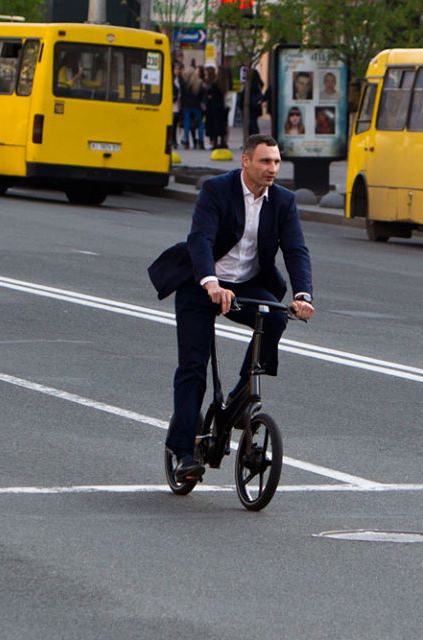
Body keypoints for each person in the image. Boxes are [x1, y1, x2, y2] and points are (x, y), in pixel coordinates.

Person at [147, 134, 315, 481]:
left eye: (277, 162)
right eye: (266, 161)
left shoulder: (282, 201)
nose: (273, 169)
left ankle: (241, 397)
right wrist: (210, 283)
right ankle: (183, 453)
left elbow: (296, 249)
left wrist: (303, 295)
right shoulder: (216, 190)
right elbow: (202, 238)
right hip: (201, 283)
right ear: (246, 161)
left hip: (247, 283)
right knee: (194, 368)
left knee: (276, 318)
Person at [180, 66, 205, 150]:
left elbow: (182, 96)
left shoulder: (184, 84)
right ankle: (201, 141)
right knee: (200, 124)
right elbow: (202, 95)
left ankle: (187, 142)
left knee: (186, 124)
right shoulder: (198, 83)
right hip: (196, 106)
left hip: (186, 106)